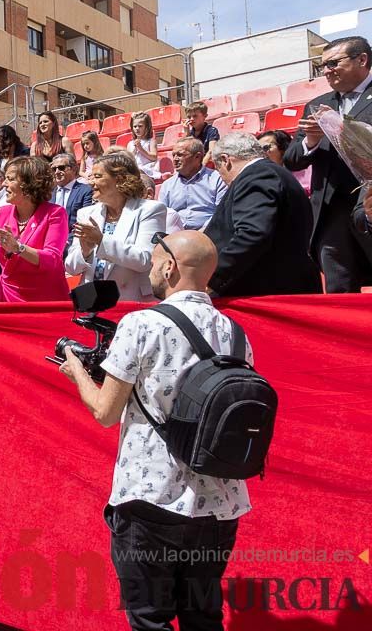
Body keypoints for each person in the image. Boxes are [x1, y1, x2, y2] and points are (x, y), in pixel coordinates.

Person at [59, 231, 251, 631]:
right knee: (204, 617)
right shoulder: (235, 333)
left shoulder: (142, 323)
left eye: (154, 258)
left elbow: (105, 412)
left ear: (170, 266)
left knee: (150, 619)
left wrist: (76, 369)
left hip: (151, 496)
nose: (149, 267)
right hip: (220, 502)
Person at [283, 36, 372, 292]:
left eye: (333, 63)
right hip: (330, 210)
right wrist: (311, 140)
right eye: (322, 66)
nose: (326, 71)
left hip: (368, 203)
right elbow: (292, 159)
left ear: (362, 59)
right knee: (339, 288)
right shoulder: (317, 105)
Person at [205, 133, 322, 297]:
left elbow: (252, 233)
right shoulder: (269, 172)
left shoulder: (257, 176)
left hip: (266, 291)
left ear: (225, 160)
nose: (222, 178)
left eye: (218, 170)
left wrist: (211, 280)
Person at [0, 157, 70, 302]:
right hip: (9, 298)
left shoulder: (55, 213)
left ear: (29, 184)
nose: (4, 184)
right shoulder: (0, 213)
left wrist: (18, 248)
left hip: (46, 300)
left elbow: (52, 259)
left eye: (10, 179)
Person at [66, 152, 168, 302]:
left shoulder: (150, 210)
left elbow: (145, 260)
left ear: (119, 179)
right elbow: (71, 268)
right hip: (91, 302)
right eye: (91, 176)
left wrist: (101, 241)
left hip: (130, 302)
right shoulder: (86, 213)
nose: (91, 182)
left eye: (98, 176)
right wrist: (85, 251)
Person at [158, 138, 226, 230]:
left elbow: (221, 213)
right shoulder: (167, 185)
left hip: (208, 234)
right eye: (173, 155)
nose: (175, 159)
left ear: (197, 157)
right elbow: (162, 215)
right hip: (175, 236)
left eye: (180, 155)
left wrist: (202, 233)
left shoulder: (217, 179)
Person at [257, 129, 312, 196]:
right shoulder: (258, 176)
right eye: (257, 149)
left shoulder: (304, 169)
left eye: (265, 148)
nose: (260, 153)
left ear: (283, 149)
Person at [49, 153, 94, 235]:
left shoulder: (85, 191)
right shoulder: (49, 192)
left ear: (73, 169)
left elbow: (85, 222)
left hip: (73, 240)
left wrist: (66, 241)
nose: (57, 172)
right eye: (54, 169)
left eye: (61, 168)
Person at [126, 111, 161, 179]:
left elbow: (154, 157)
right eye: (135, 126)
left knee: (139, 171)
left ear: (147, 127)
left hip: (147, 168)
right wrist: (133, 151)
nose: (137, 128)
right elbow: (128, 159)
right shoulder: (130, 144)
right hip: (135, 169)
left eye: (140, 126)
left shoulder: (151, 141)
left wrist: (140, 148)